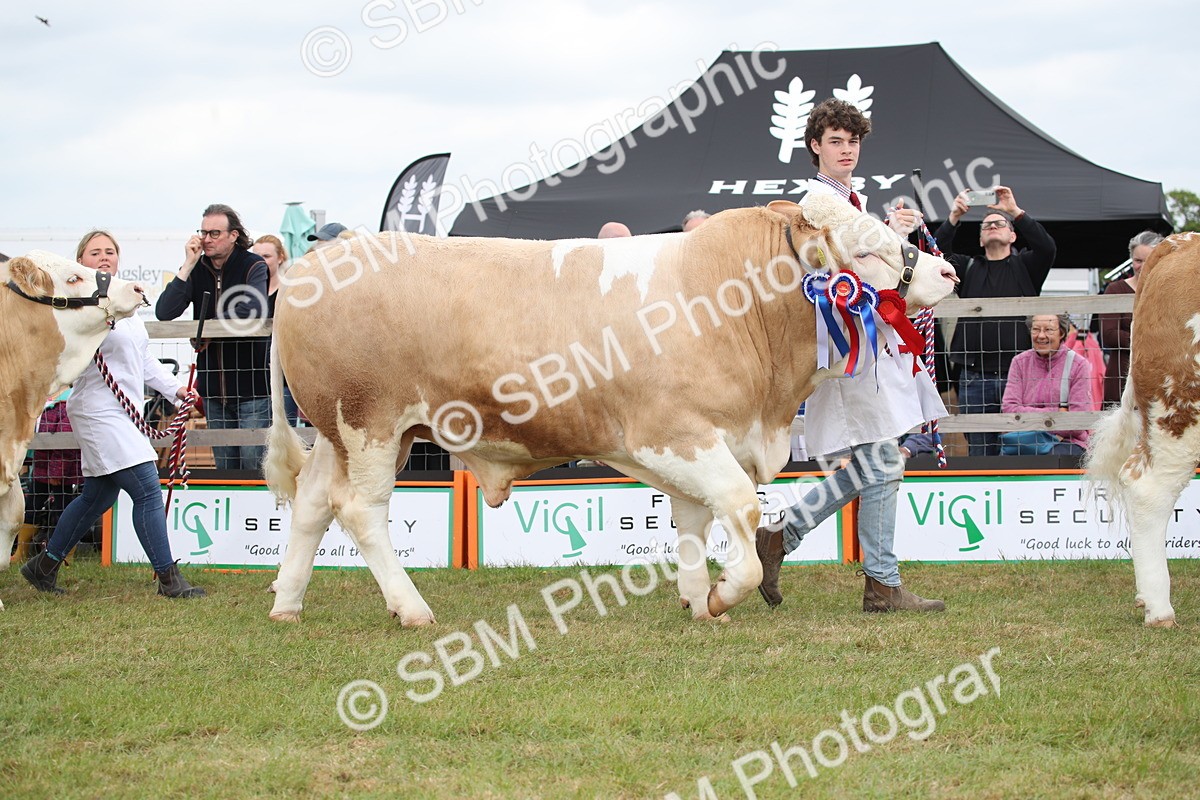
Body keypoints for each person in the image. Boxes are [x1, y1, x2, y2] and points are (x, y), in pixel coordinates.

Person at [756, 98, 946, 614]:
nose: (846, 150)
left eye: (853, 141)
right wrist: (893, 241)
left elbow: (859, 260)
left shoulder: (847, 201)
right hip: (847, 341)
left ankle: (787, 535)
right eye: (835, 141)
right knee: (882, 461)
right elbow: (843, 270)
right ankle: (880, 584)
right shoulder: (820, 202)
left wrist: (892, 236)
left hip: (858, 340)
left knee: (878, 462)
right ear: (814, 147)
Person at [21, 230, 205, 598]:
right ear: (81, 262)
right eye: (95, 253)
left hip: (123, 412)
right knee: (148, 490)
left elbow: (143, 360)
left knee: (97, 497)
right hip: (97, 411)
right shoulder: (76, 308)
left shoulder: (124, 306)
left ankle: (43, 566)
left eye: (110, 252)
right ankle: (169, 581)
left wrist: (176, 390)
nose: (104, 257)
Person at [936, 188, 1057, 456]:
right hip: (973, 377)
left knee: (1023, 448)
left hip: (1020, 377)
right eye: (986, 224)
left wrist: (1014, 210)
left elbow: (1047, 247)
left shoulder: (1027, 266)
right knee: (980, 452)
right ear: (980, 239)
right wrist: (955, 215)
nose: (992, 225)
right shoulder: (966, 268)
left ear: (1013, 236)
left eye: (999, 223)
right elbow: (936, 255)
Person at [156, 203, 269, 471]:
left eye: (214, 233)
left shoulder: (253, 265)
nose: (206, 239)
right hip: (214, 391)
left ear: (234, 235)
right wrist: (187, 265)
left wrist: (208, 331)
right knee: (225, 468)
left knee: (255, 468)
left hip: (253, 388)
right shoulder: (197, 268)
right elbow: (164, 311)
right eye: (203, 232)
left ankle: (255, 514)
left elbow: (252, 308)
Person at [1001, 313, 1093, 455]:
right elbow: (1009, 410)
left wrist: (1027, 415)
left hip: (1067, 442)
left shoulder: (1079, 365)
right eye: (1036, 329)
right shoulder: (1019, 362)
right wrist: (1057, 414)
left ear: (1062, 333)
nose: (1041, 336)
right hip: (1024, 440)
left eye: (1049, 330)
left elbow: (1077, 423)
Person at [1099, 231, 1163, 405]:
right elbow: (1109, 335)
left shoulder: (1166, 293)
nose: (1142, 266)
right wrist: (1154, 342)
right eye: (1138, 261)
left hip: (1158, 377)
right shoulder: (1115, 290)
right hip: (1122, 374)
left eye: (1148, 260)